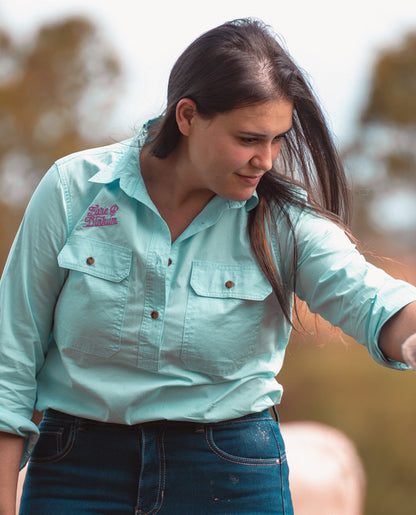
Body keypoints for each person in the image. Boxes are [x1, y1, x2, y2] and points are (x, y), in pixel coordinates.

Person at [1, 17, 415, 515]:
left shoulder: (283, 221)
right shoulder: (73, 190)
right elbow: (11, 361)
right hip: (76, 471)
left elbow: (369, 297)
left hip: (231, 473)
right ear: (188, 115)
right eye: (248, 138)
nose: (266, 159)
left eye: (278, 139)